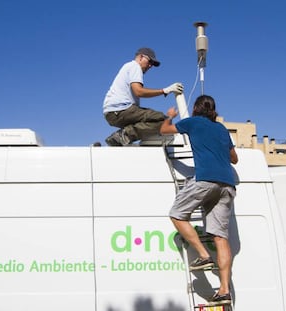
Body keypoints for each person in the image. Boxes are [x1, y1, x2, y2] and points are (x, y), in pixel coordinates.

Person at [159, 95, 238, 306]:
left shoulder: (192, 122)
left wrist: (170, 116)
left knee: (176, 214)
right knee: (221, 238)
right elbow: (234, 159)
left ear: (195, 108)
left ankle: (203, 254)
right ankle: (224, 290)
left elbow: (164, 131)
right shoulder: (221, 129)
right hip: (227, 185)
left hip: (205, 179)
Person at [103, 47, 183, 146]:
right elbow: (139, 91)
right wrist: (165, 90)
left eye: (152, 64)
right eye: (150, 61)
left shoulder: (129, 67)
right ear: (141, 57)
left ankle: (119, 138)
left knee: (151, 121)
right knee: (163, 121)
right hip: (120, 110)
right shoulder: (135, 66)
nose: (150, 66)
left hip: (114, 112)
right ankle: (123, 135)